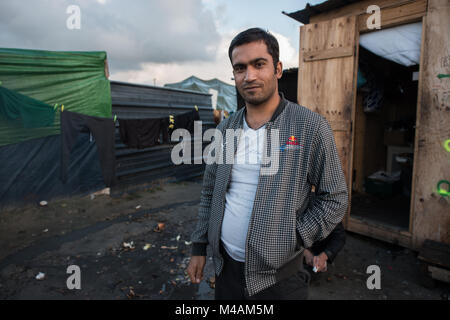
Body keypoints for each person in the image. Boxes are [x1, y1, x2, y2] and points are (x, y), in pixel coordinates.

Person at [186, 28, 348, 300]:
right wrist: (199, 247)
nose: (249, 76)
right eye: (240, 68)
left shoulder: (309, 127)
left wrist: (294, 237)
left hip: (280, 280)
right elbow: (210, 192)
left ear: (278, 69)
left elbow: (335, 197)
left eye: (259, 64)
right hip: (227, 272)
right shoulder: (226, 129)